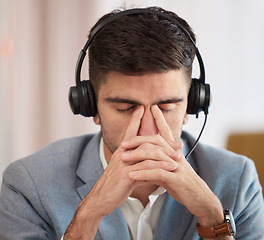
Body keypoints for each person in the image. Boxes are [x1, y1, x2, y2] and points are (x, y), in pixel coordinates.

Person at [0, 6, 263, 240]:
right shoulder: (27, 184)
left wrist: (214, 220)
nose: (147, 130)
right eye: (126, 108)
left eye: (166, 107)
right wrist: (89, 215)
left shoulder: (238, 181)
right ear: (91, 107)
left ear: (191, 106)